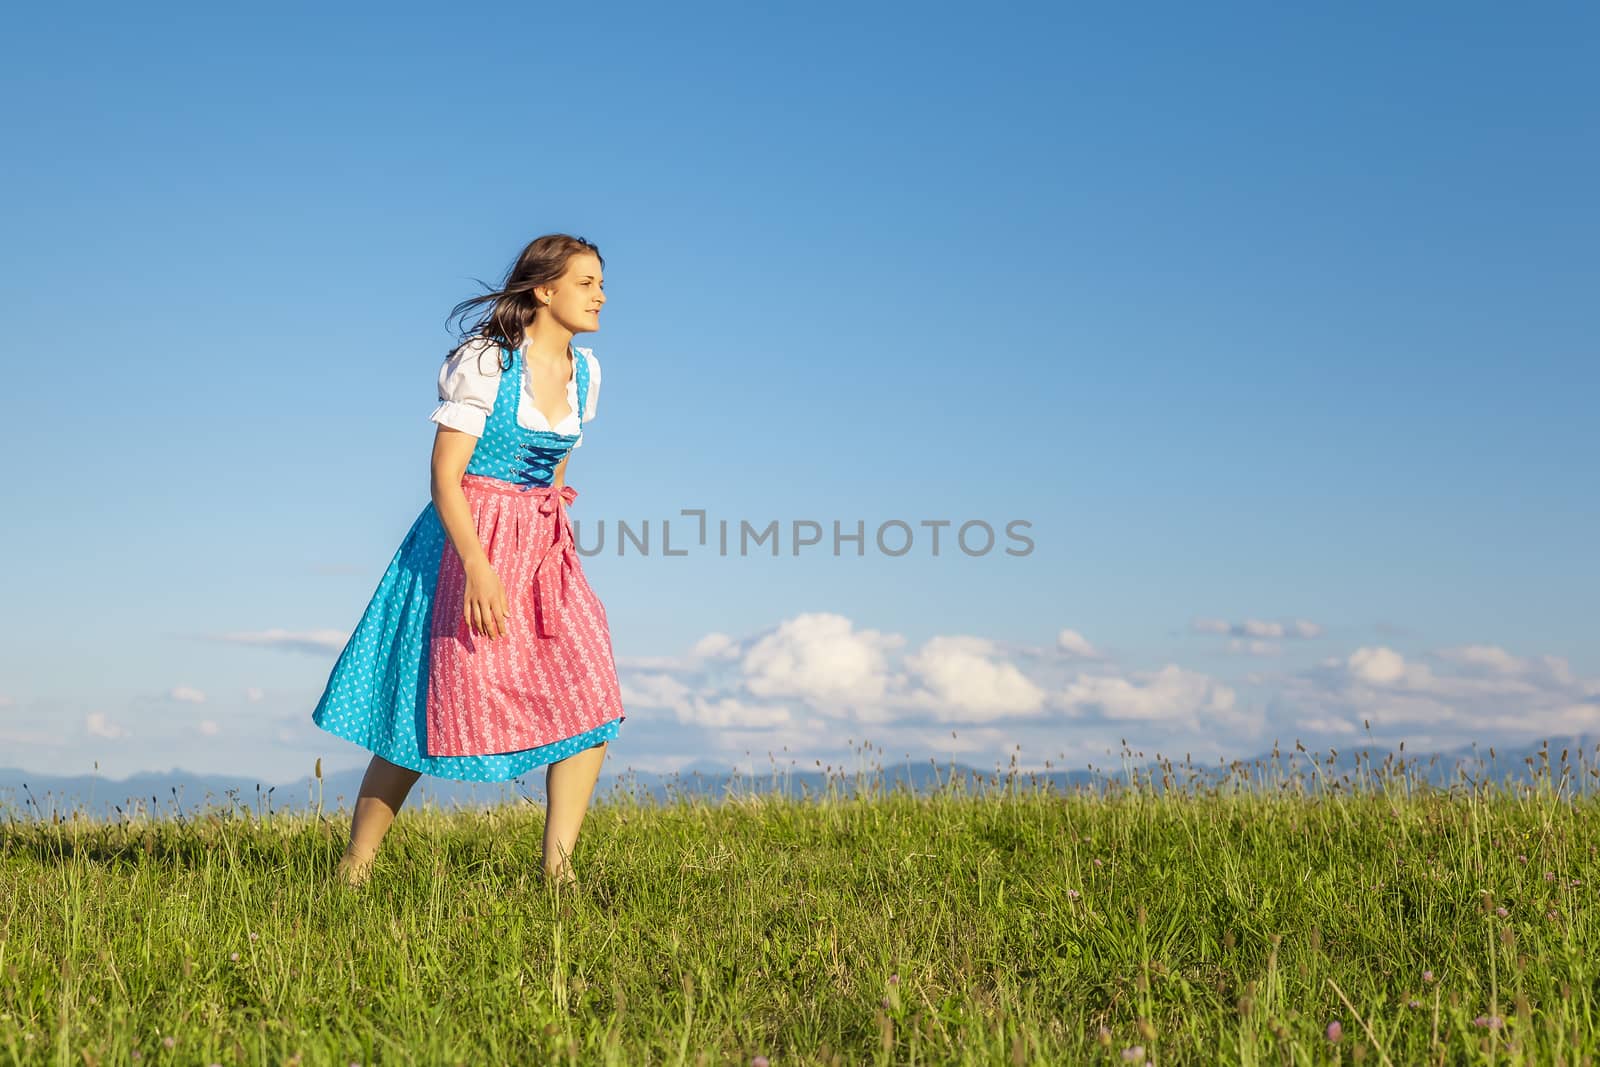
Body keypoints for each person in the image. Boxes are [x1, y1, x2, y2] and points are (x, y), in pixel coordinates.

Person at [310, 233, 625, 889]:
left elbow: (556, 469)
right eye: (587, 282)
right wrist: (479, 567)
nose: (601, 294)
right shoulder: (487, 362)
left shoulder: (586, 373)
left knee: (593, 695)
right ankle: (355, 865)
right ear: (544, 290)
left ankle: (557, 868)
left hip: (543, 547)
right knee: (422, 708)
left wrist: (548, 542)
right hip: (467, 539)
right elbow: (445, 476)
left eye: (601, 282)